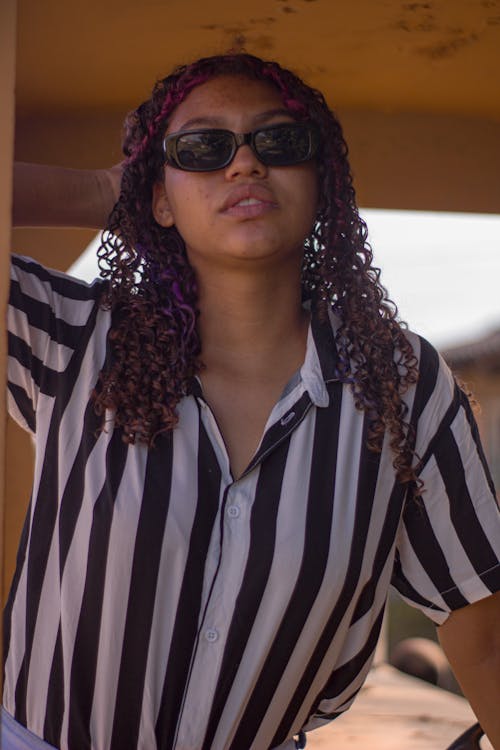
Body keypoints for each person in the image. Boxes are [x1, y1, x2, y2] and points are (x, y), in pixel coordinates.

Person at [3, 53, 500, 750]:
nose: (244, 165)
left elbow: (484, 637)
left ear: (321, 180)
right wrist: (97, 193)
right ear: (158, 196)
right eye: (202, 148)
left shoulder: (403, 385)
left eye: (279, 141)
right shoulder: (72, 338)